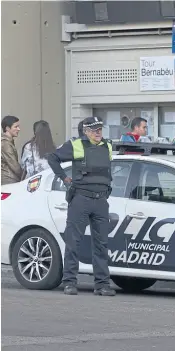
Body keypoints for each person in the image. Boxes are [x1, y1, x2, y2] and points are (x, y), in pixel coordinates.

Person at [47, 116, 115, 296]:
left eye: (100, 128)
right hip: (81, 199)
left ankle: (102, 284)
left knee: (102, 244)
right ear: (85, 131)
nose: (98, 132)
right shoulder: (77, 145)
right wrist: (64, 178)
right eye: (94, 129)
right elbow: (52, 158)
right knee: (73, 242)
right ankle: (69, 282)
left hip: (101, 200)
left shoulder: (107, 146)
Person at [1, 115, 22, 185]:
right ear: (7, 128)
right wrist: (25, 176)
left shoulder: (8, 142)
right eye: (16, 127)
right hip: (9, 181)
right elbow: (14, 166)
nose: (18, 129)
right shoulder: (5, 143)